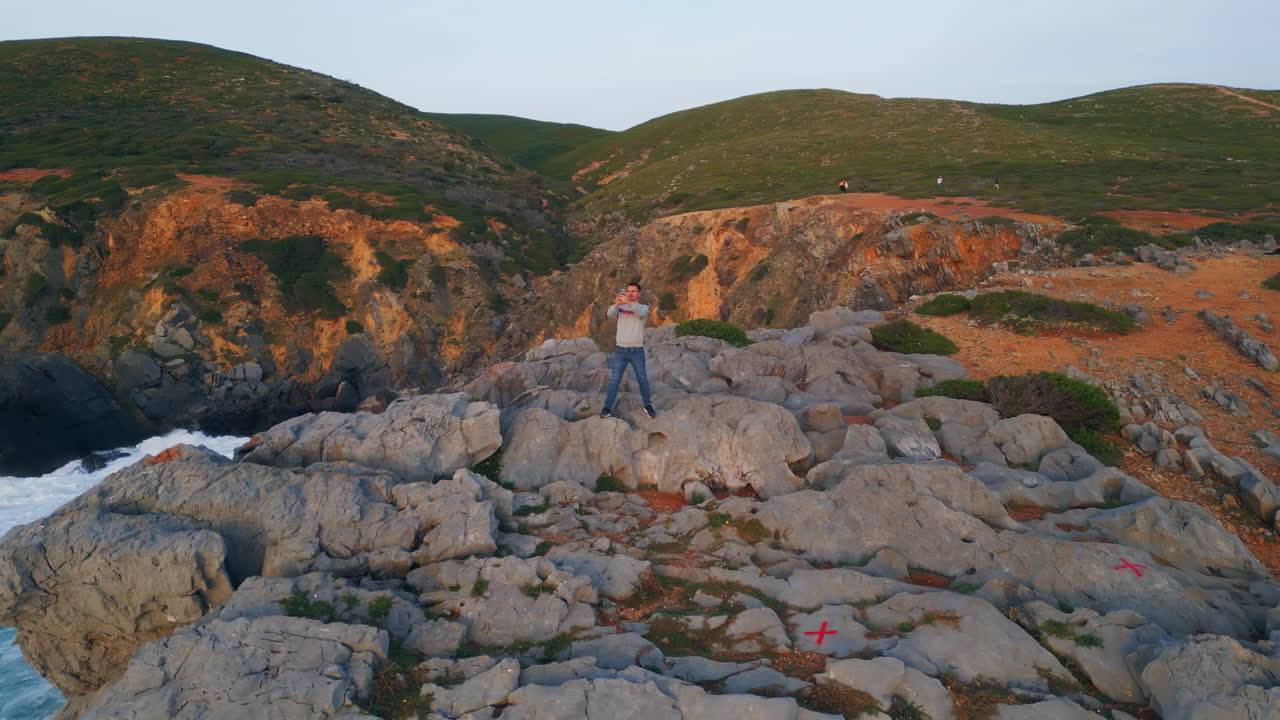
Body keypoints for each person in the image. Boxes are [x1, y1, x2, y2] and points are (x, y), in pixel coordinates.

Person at [601, 282, 655, 419]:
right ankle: (607, 407)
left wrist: (628, 303)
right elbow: (609, 314)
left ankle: (648, 405)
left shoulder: (643, 308)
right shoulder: (621, 307)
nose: (630, 293)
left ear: (639, 294)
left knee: (642, 379)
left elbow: (641, 313)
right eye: (628, 291)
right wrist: (617, 304)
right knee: (614, 380)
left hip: (637, 350)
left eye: (633, 291)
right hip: (620, 350)